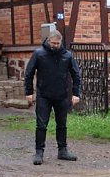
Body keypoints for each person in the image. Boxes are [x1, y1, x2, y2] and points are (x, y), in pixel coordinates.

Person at [24, 30, 81, 165]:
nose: (55, 45)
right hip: (44, 95)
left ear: (61, 42)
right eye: (52, 43)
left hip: (61, 95)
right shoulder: (39, 54)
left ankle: (62, 150)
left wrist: (76, 93)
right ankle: (39, 152)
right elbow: (29, 73)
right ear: (48, 41)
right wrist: (29, 92)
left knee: (62, 124)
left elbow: (76, 74)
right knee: (41, 125)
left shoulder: (67, 56)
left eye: (57, 43)